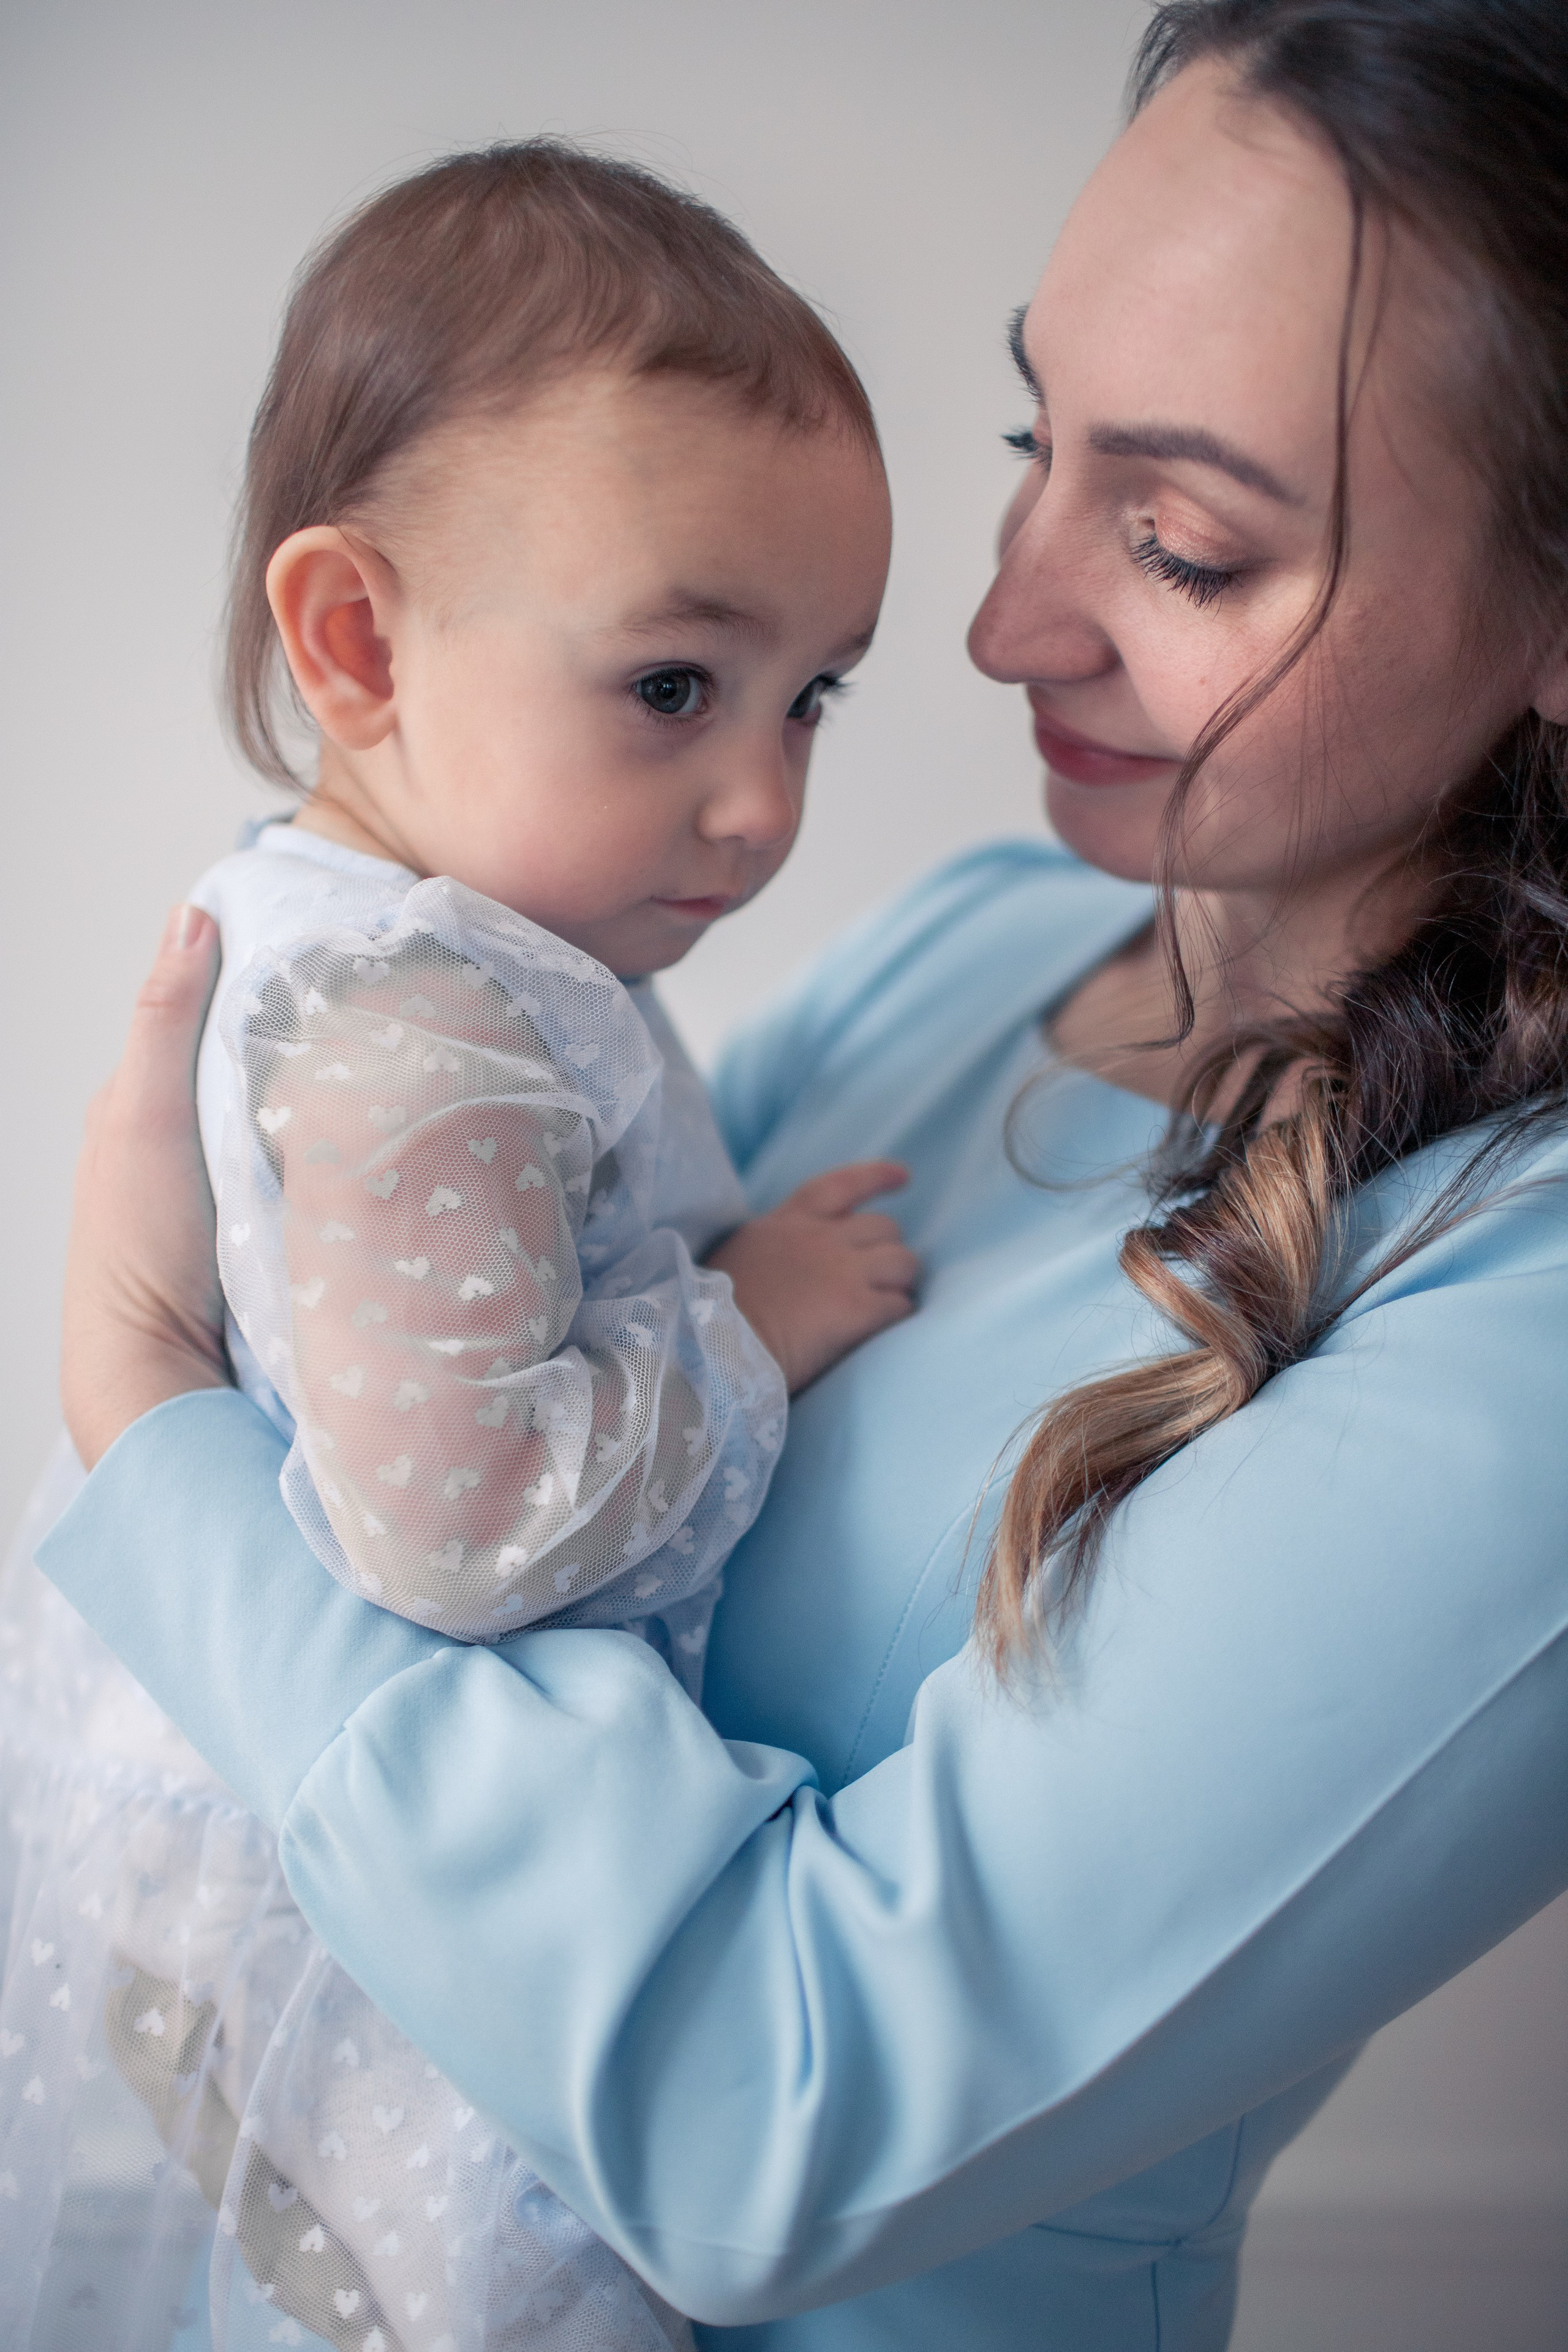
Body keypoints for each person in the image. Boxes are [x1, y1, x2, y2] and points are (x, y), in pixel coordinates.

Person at [19, 0, 1568, 2345]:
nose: (995, 622)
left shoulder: (1517, 1330)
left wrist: (162, 1430)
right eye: (1042, 440)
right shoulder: (967, 959)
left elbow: (766, 2121)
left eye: (1176, 537)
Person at [0, 147, 911, 2352]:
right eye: (679, 688)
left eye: (816, 698)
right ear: (360, 640)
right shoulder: (422, 1028)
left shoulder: (431, 944)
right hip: (364, 1888)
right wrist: (747, 1324)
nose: (768, 801)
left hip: (272, 1797)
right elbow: (462, 1523)